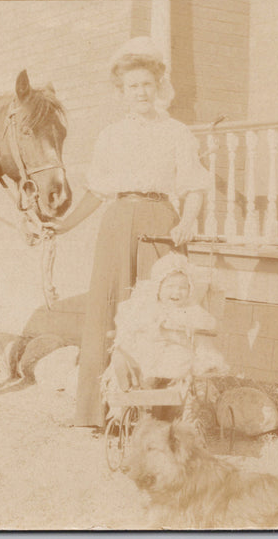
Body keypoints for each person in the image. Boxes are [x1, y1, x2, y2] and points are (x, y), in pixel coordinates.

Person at [50, 37, 212, 428]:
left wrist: (188, 220)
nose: (140, 92)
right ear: (121, 92)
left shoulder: (176, 133)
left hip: (160, 224)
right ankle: (98, 412)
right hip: (118, 224)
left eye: (146, 84)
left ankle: (157, 413)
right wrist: (64, 224)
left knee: (162, 315)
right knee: (108, 310)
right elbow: (96, 190)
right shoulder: (110, 135)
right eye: (132, 86)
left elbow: (194, 186)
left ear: (158, 87)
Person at [101, 252, 226, 421]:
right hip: (150, 353)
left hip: (176, 353)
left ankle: (157, 408)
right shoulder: (150, 307)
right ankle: (137, 396)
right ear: (158, 289)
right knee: (140, 365)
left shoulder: (189, 310)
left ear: (189, 290)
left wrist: (185, 325)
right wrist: (151, 325)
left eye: (183, 288)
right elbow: (132, 324)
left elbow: (209, 324)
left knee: (176, 372)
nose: (177, 292)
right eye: (170, 287)